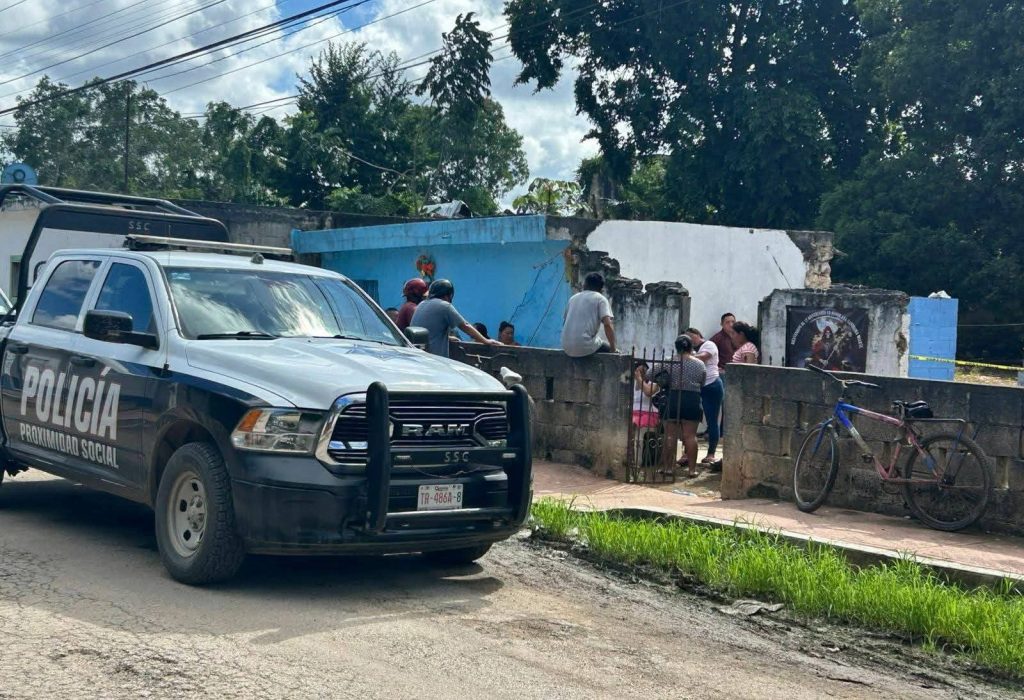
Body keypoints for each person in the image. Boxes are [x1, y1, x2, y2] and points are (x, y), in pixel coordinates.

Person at [637, 335, 706, 478]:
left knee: (670, 435)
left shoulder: (668, 362)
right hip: (692, 399)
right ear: (691, 347)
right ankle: (692, 470)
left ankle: (668, 468)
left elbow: (649, 375)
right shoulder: (699, 364)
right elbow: (702, 381)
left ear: (677, 347)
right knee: (690, 436)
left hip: (672, 398)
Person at [410, 278, 500, 357]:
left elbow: (430, 330)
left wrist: (447, 338)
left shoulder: (421, 304)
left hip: (418, 355)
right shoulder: (444, 306)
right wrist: (486, 341)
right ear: (448, 295)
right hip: (434, 358)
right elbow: (465, 325)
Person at [686, 328, 723, 470]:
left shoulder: (709, 344)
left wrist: (686, 356)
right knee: (690, 420)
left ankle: (711, 453)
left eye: (691, 336)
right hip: (696, 387)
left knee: (712, 420)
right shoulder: (691, 350)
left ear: (698, 335)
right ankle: (687, 453)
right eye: (687, 338)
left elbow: (703, 357)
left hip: (711, 384)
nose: (690, 339)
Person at [561, 272, 616, 357]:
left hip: (566, 347)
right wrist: (613, 348)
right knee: (609, 348)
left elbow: (565, 323)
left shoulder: (573, 298)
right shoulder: (600, 299)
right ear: (601, 289)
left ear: (584, 285)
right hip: (584, 345)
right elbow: (607, 324)